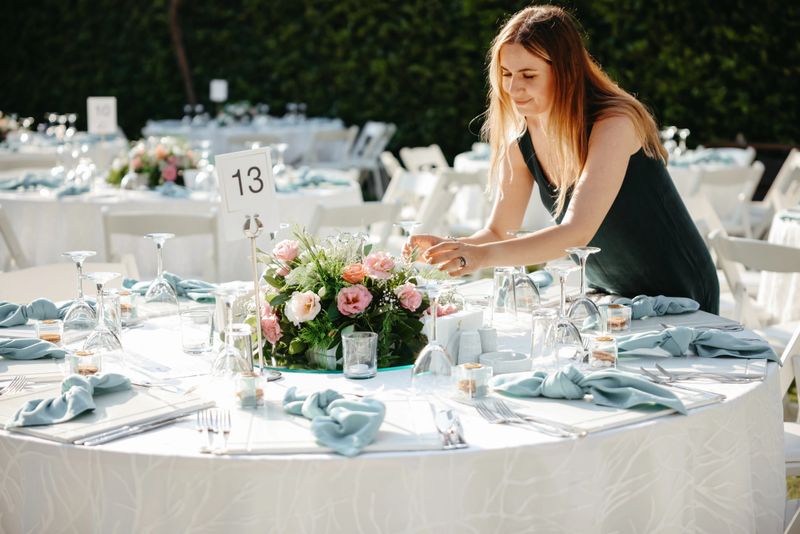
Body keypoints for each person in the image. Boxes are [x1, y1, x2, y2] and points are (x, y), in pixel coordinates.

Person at [406, 4, 719, 314]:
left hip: (680, 295)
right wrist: (454, 249)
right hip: (615, 299)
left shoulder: (614, 123)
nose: (514, 88)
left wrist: (482, 257)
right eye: (506, 74)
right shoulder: (522, 139)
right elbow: (499, 231)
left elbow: (576, 232)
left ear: (566, 72)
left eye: (528, 74)